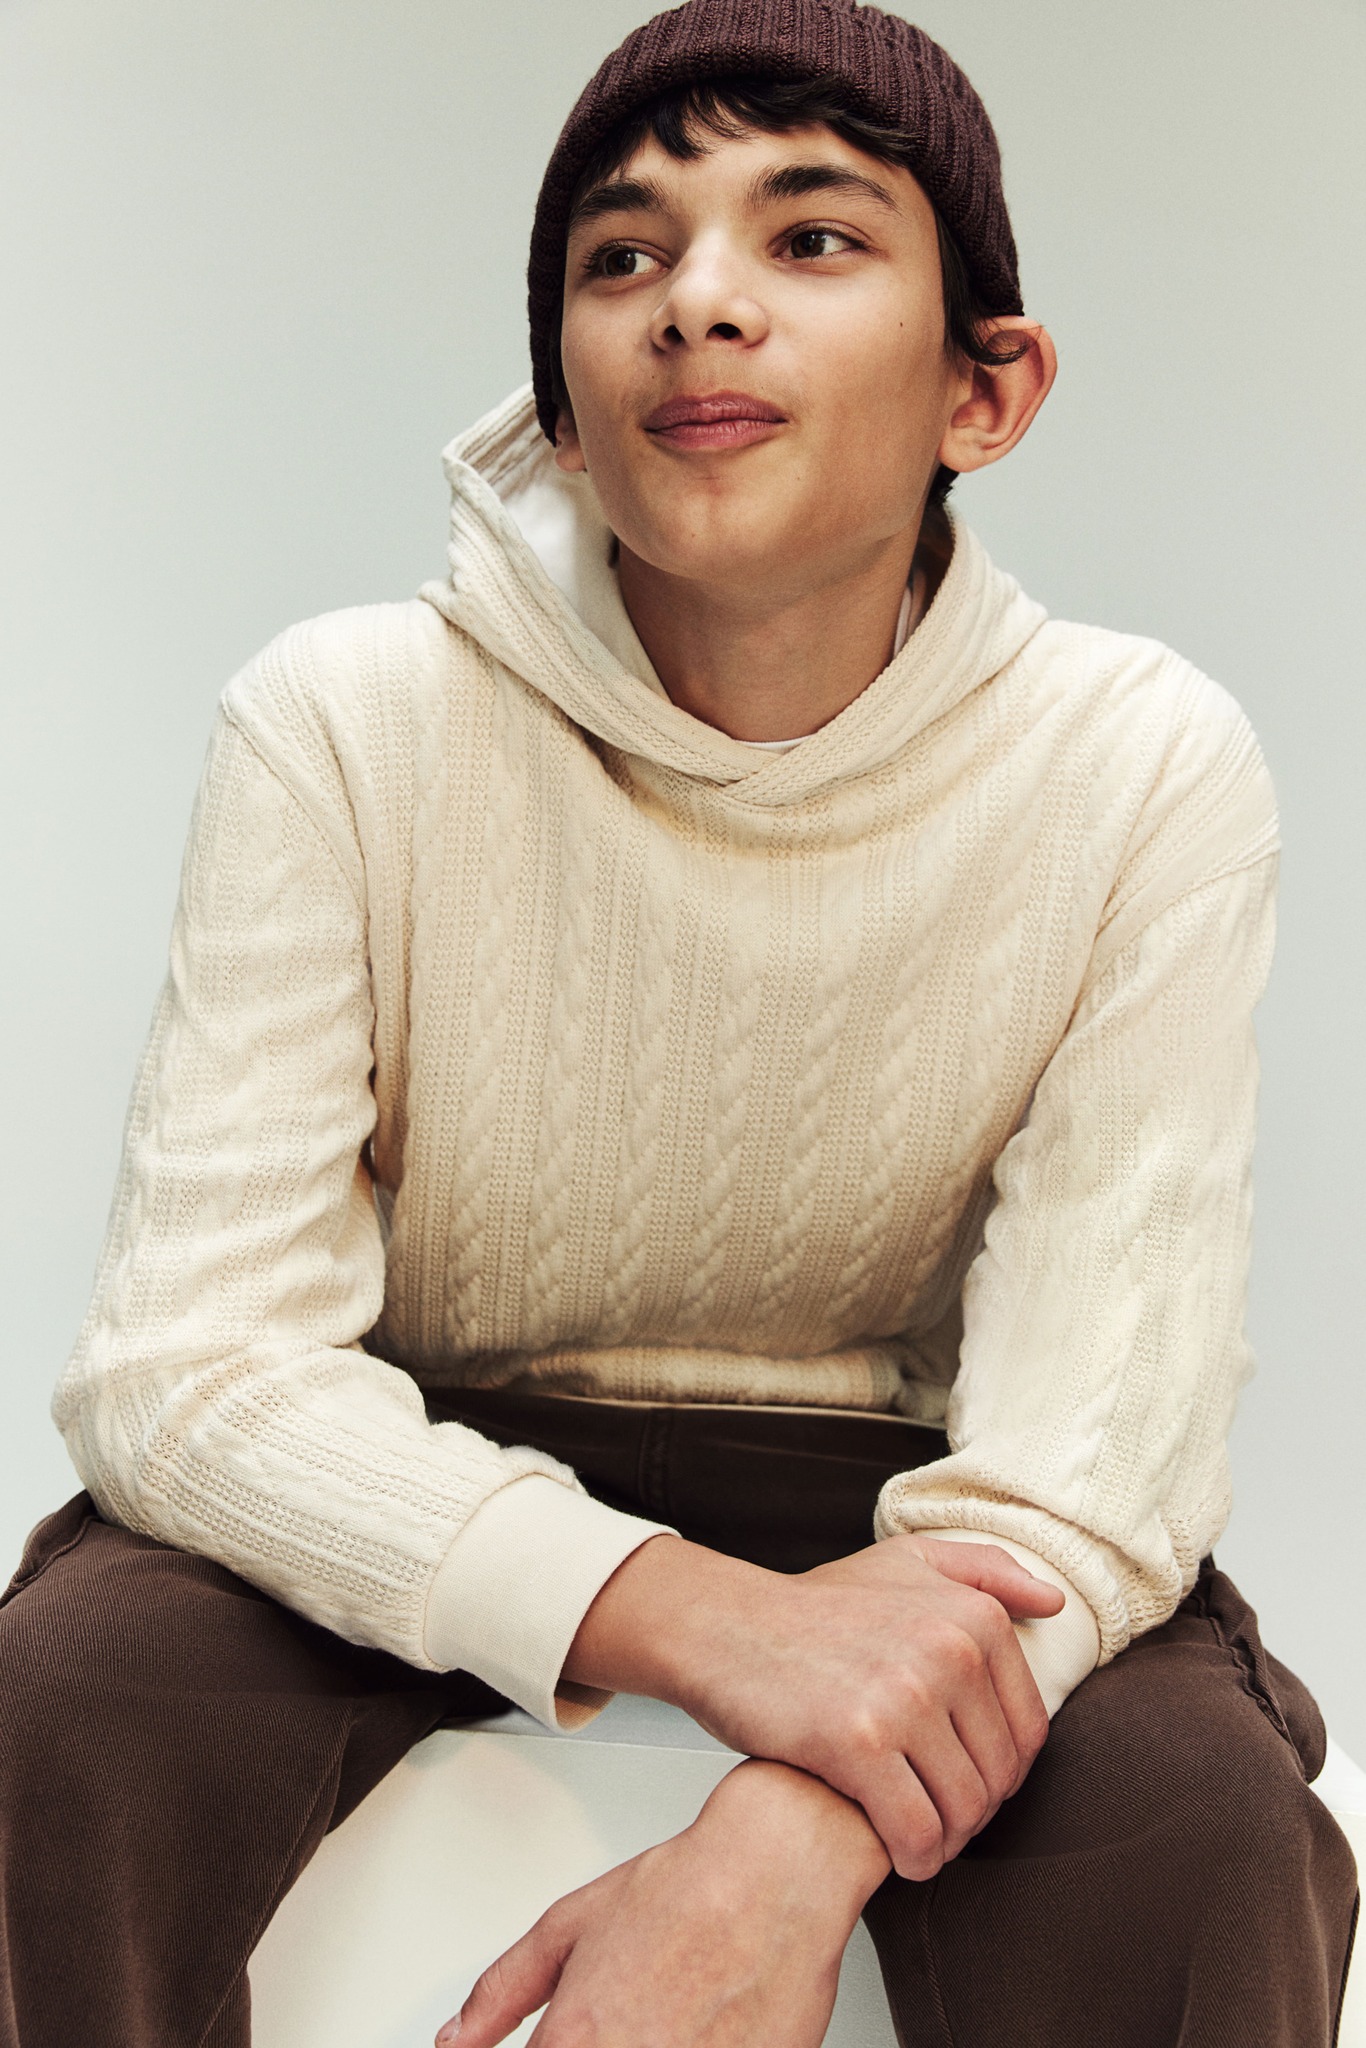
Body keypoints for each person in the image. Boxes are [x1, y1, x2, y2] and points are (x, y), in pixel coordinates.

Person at [0, 2, 1357, 2043]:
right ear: (561, 406)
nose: (694, 304)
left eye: (810, 238)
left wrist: (788, 1827)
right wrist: (703, 1624)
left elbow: (1098, 1429)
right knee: (62, 1703)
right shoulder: (343, 719)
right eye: (621, 256)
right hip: (420, 1452)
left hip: (908, 1505)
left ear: (985, 388)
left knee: (1196, 1826)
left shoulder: (1140, 760)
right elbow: (188, 1366)